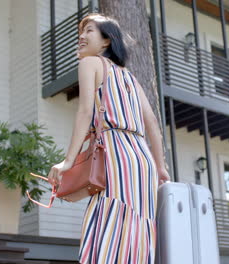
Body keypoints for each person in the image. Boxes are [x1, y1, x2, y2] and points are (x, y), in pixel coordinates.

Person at [46, 13, 170, 263]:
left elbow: (84, 111)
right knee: (138, 229)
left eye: (89, 31)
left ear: (105, 41)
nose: (81, 36)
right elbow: (153, 125)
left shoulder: (90, 63)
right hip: (142, 159)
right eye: (81, 32)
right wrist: (160, 167)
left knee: (108, 224)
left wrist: (68, 161)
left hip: (116, 152)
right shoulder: (130, 78)